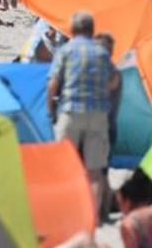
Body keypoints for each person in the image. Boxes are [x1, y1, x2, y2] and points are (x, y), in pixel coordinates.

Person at [47, 11, 119, 217]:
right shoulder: (101, 53)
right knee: (94, 171)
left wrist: (49, 108)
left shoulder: (65, 50)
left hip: (71, 110)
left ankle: (63, 211)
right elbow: (113, 82)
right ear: (91, 30)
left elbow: (53, 84)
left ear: (73, 29)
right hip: (97, 113)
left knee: (62, 165)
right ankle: (92, 217)